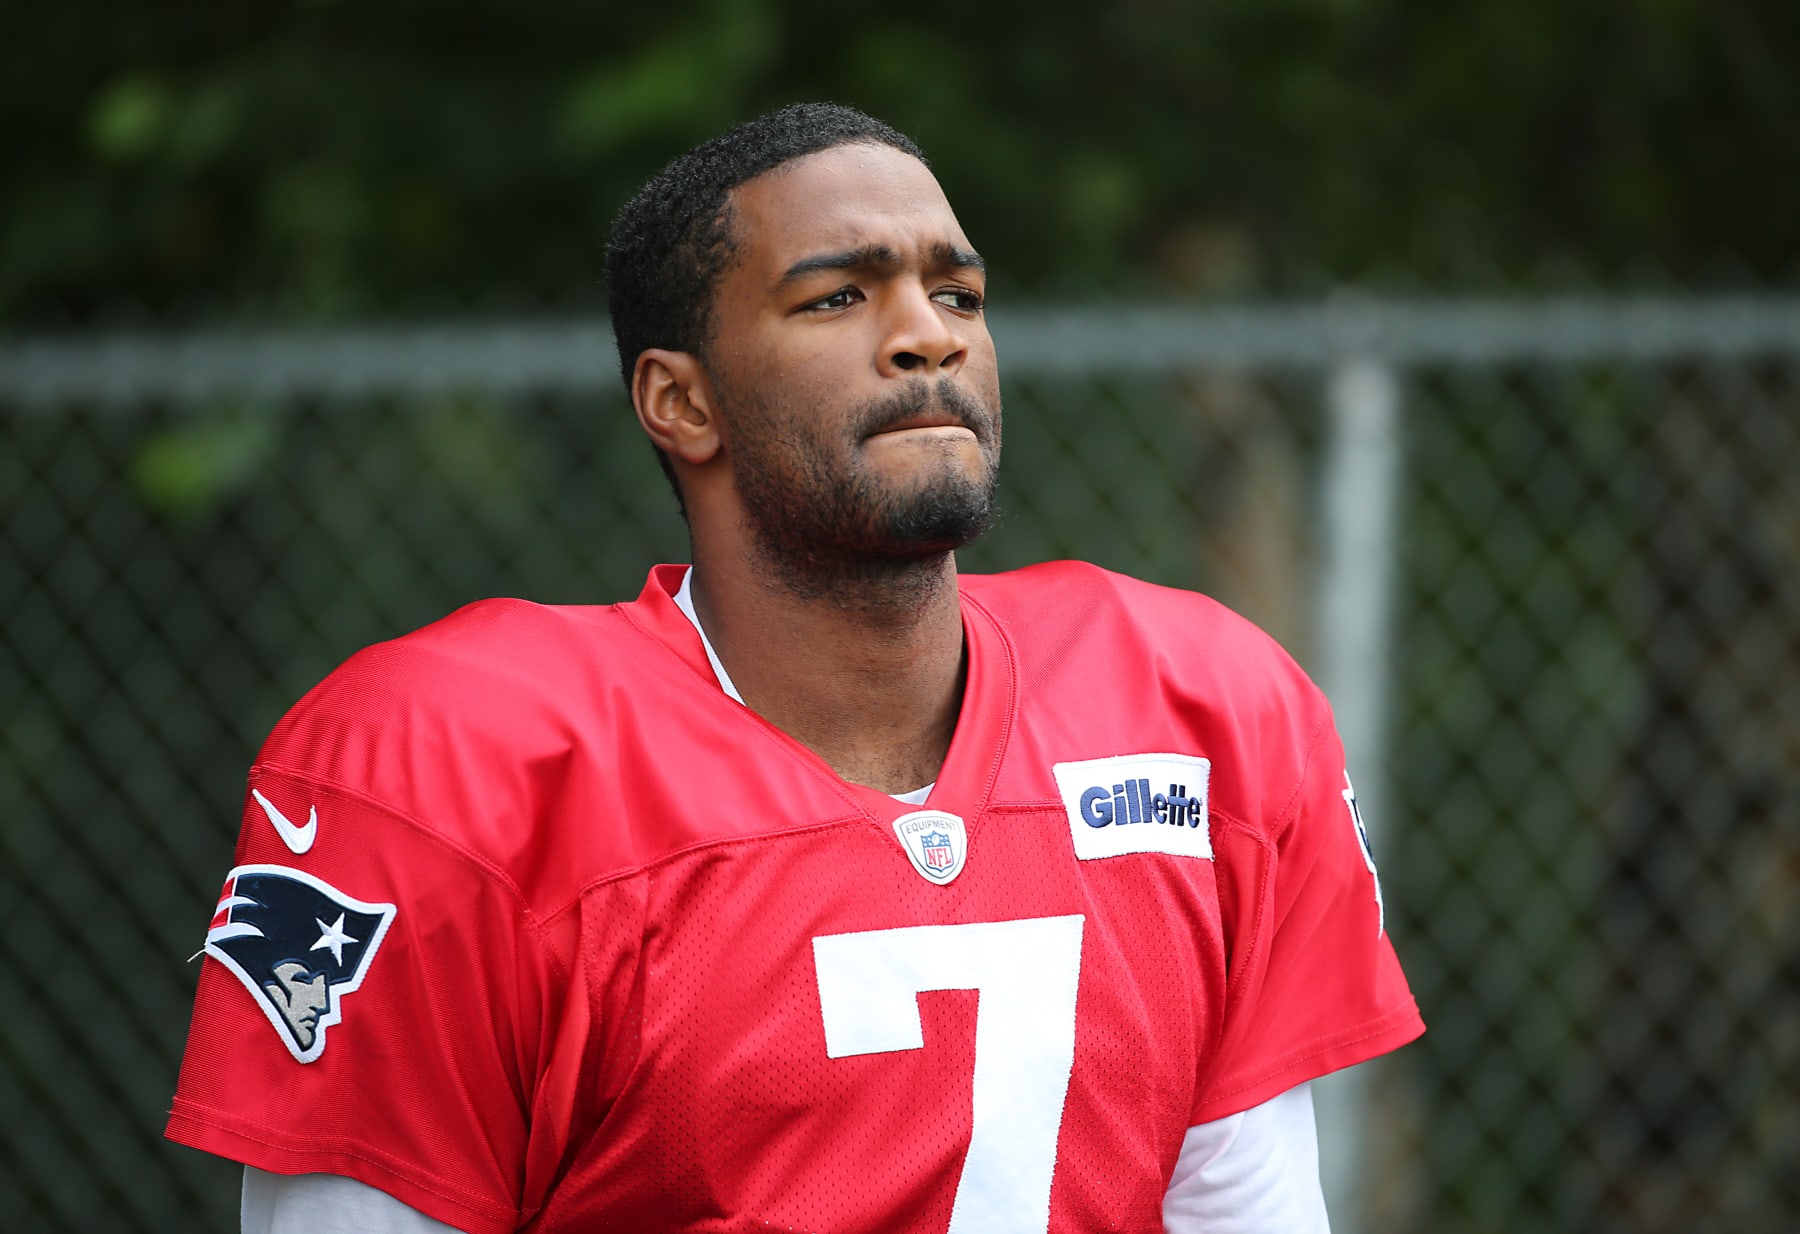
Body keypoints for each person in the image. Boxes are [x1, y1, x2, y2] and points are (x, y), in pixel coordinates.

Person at [168, 103, 1423, 1233]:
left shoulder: (1201, 706)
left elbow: (1243, 1210)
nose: (926, 335)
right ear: (681, 402)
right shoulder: (456, 765)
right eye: (838, 297)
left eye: (961, 295)